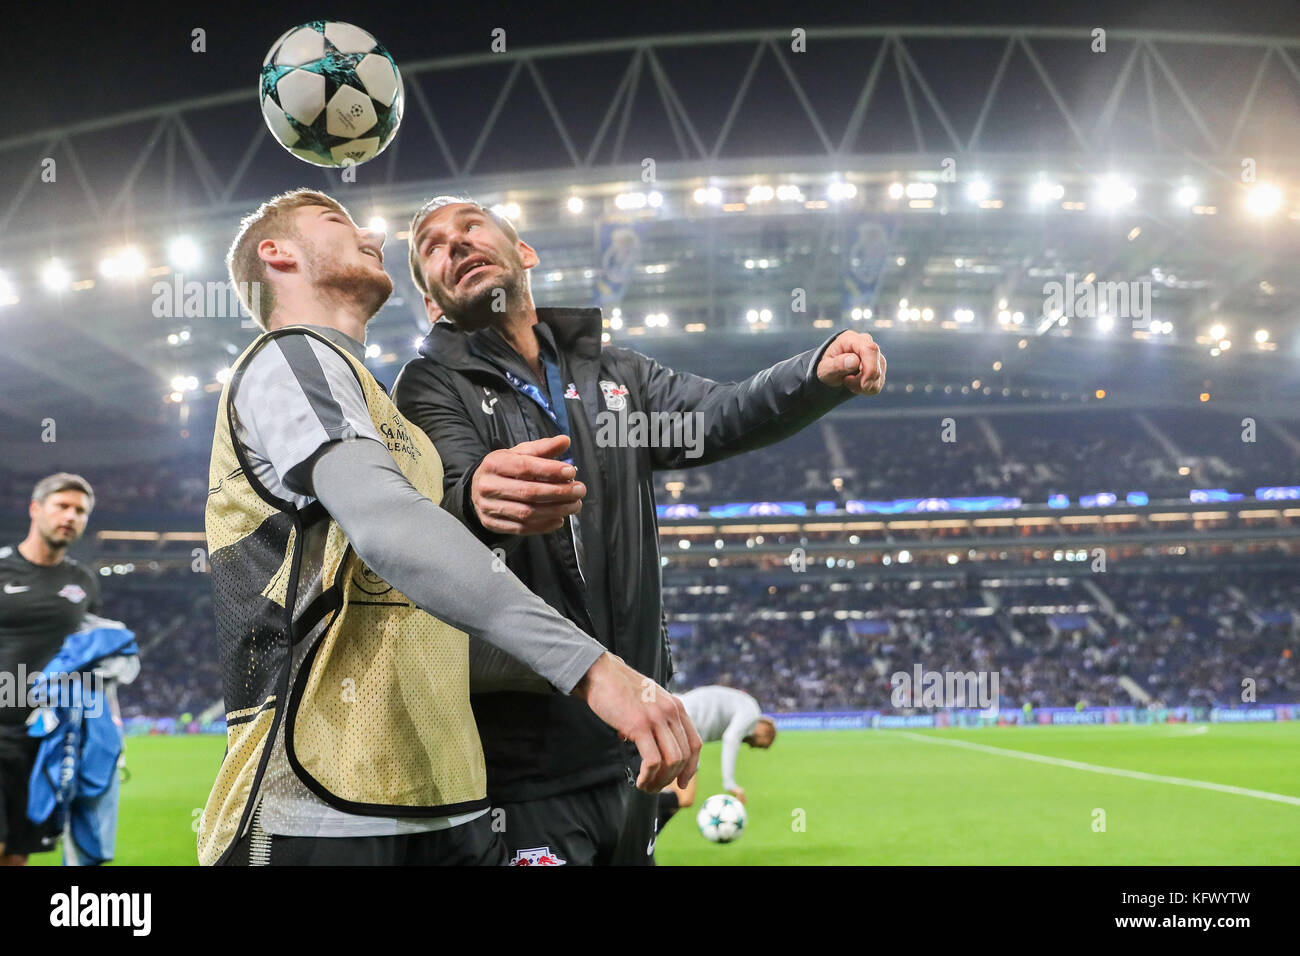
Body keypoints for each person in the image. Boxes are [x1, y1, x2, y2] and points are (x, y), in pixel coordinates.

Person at [201, 188, 698, 867]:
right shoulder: (288, 359)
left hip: (448, 806)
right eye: (337, 223)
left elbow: (421, 613)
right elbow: (389, 527)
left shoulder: (390, 416)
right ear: (276, 252)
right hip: (319, 810)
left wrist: (625, 701)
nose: (374, 236)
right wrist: (595, 669)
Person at [393, 195, 886, 865]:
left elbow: (717, 416)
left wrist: (812, 374)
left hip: (632, 749)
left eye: (470, 226)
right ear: (433, 305)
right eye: (432, 246)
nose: (454, 243)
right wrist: (475, 496)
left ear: (524, 253)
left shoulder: (615, 377)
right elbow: (434, 509)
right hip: (524, 766)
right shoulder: (432, 384)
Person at [0, 473, 100, 865]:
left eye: (80, 511)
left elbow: (92, 658)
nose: (71, 516)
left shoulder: (84, 583)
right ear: (35, 509)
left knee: (17, 856)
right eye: (62, 506)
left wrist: (107, 728)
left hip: (47, 741)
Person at [658, 686, 776, 832]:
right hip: (682, 724)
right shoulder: (751, 713)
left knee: (667, 793)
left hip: (678, 718)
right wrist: (730, 783)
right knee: (685, 797)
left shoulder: (743, 706)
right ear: (765, 733)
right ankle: (646, 831)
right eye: (760, 745)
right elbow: (731, 738)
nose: (752, 747)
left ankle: (647, 838)